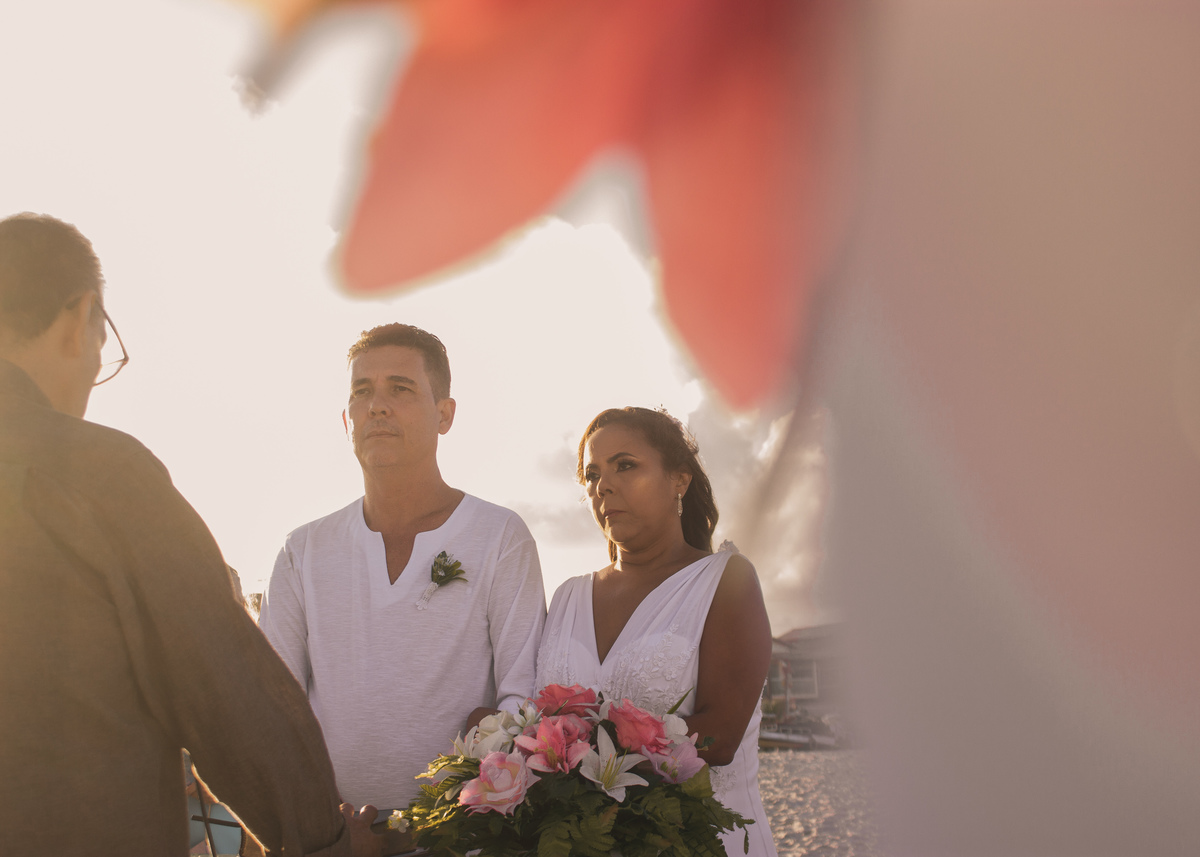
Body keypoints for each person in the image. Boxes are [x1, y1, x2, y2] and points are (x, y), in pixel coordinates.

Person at [0, 212, 357, 856]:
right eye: (103, 342)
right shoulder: (99, 473)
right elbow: (227, 688)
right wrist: (324, 840)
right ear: (81, 316)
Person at [258, 324, 546, 830]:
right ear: (345, 419)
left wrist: (459, 816)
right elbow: (275, 705)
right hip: (332, 837)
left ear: (445, 414)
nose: (378, 405)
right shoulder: (302, 550)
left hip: (465, 836)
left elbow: (521, 698)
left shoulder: (500, 536)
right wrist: (321, 829)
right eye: (362, 392)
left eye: (400, 387)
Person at [535, 407, 776, 857]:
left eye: (625, 465)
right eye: (591, 474)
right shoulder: (567, 597)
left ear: (678, 480)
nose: (602, 485)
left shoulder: (725, 580)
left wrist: (573, 760)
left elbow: (720, 737)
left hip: (705, 840)